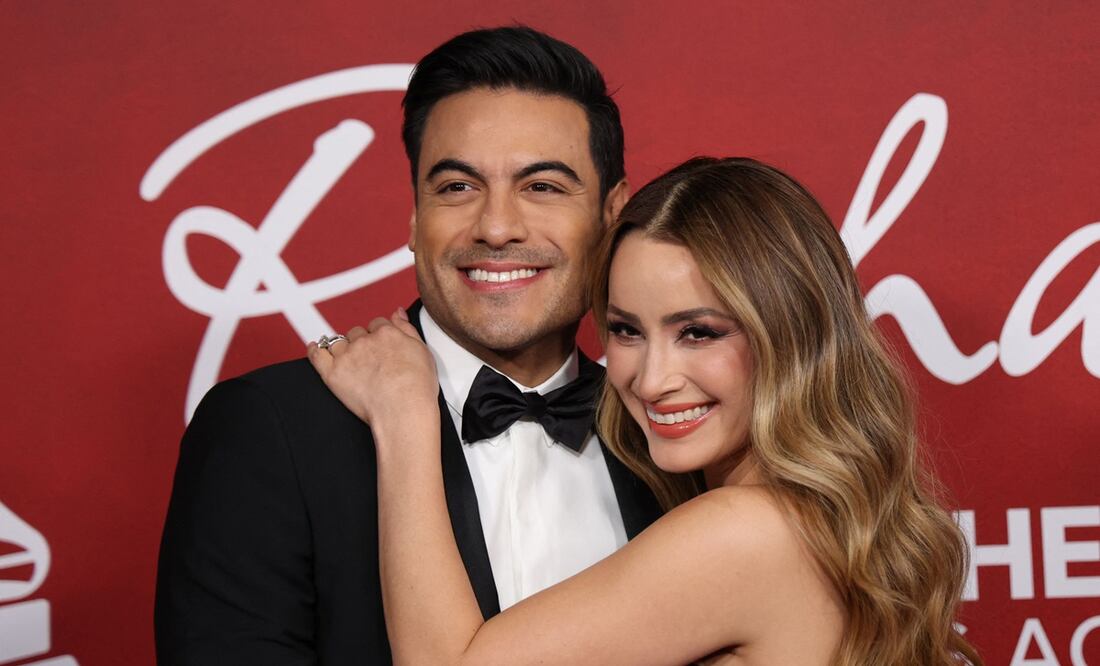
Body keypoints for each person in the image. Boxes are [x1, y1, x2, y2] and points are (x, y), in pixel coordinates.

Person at [310, 157, 983, 665]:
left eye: (700, 332)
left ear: (792, 332)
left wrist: (404, 414)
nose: (651, 379)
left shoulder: (746, 529)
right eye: (628, 331)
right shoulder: (809, 520)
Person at [154, 27, 661, 665]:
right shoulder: (270, 429)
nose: (497, 227)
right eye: (457, 187)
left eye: (542, 187)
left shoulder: (665, 434)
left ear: (613, 216)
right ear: (416, 219)